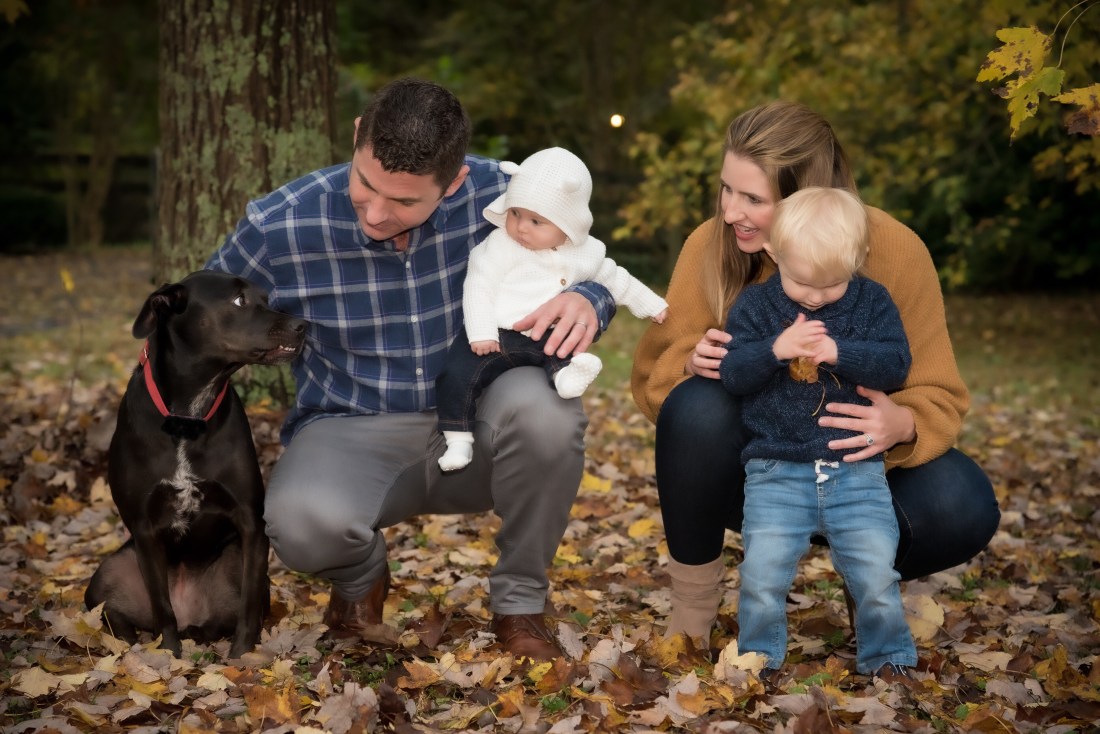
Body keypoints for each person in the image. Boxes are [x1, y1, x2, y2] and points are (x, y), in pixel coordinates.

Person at [206, 77, 618, 661]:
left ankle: (520, 603)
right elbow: (201, 315)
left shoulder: (507, 197)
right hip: (351, 424)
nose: (375, 213)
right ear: (357, 136)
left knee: (548, 412)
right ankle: (360, 578)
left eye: (403, 202)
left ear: (454, 183)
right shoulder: (280, 226)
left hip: (483, 415)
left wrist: (590, 301)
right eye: (365, 185)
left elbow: (592, 262)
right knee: (301, 526)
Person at [630, 101, 1001, 649]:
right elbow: (652, 379)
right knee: (698, 405)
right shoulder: (711, 246)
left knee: (961, 501)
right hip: (764, 474)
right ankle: (691, 611)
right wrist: (687, 362)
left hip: (864, 475)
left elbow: (938, 387)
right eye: (727, 190)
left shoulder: (897, 251)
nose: (731, 212)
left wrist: (904, 422)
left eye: (753, 199)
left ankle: (873, 585)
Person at [719, 186, 916, 678]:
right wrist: (775, 350)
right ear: (774, 253)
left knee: (875, 573)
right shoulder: (757, 308)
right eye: (802, 284)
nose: (814, 298)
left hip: (857, 473)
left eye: (830, 288)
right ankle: (759, 656)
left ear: (858, 262)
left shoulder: (871, 303)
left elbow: (896, 365)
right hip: (776, 471)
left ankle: (888, 658)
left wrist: (840, 352)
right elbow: (733, 374)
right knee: (761, 574)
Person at [436, 146, 669, 471]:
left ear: (567, 225)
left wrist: (653, 305)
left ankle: (567, 376)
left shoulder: (585, 254)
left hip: (544, 335)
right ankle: (458, 439)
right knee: (457, 375)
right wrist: (481, 332)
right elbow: (478, 286)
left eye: (536, 221)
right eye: (515, 213)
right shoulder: (500, 245)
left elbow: (618, 280)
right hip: (495, 335)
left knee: (560, 350)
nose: (521, 227)